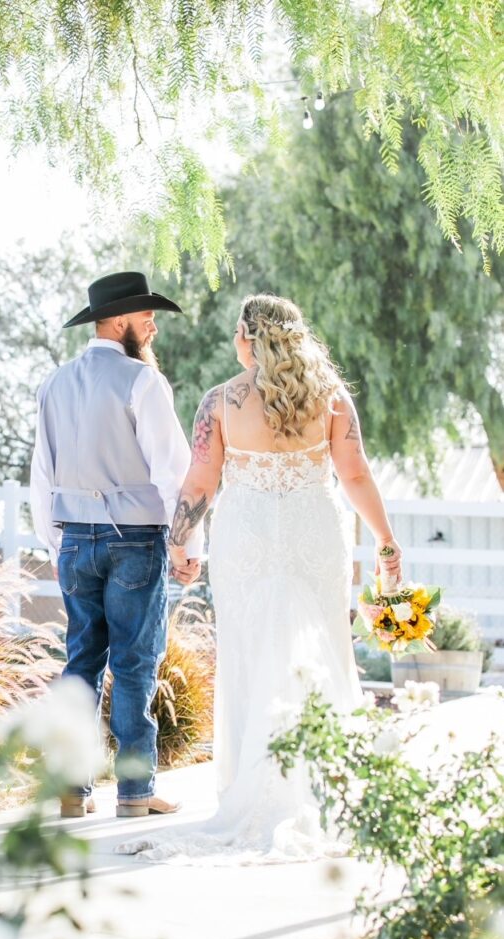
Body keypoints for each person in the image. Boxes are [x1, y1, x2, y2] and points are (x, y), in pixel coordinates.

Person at [116, 293, 402, 863]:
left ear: (249, 335)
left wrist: (179, 543)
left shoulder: (221, 402)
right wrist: (386, 540)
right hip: (315, 532)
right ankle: (325, 783)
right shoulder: (331, 397)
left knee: (250, 652)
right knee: (322, 645)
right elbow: (355, 473)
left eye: (235, 331)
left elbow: (198, 483)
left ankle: (253, 783)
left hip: (244, 537)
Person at [30, 271, 203, 819]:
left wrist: (57, 541)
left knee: (80, 662)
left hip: (74, 541)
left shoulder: (53, 384)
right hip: (136, 540)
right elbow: (174, 474)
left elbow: (41, 475)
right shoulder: (142, 382)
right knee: (133, 664)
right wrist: (188, 543)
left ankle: (70, 789)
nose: (153, 326)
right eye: (147, 316)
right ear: (120, 320)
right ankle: (134, 792)